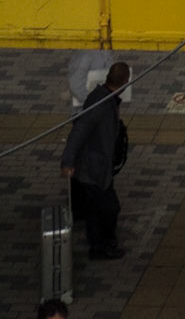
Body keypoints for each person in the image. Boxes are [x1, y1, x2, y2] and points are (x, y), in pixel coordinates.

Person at [60, 59, 130, 261]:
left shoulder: (102, 98)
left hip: (97, 167)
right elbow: (78, 134)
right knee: (109, 207)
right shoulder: (100, 104)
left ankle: (97, 246)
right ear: (125, 82)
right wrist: (67, 162)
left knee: (94, 208)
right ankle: (105, 245)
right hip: (93, 169)